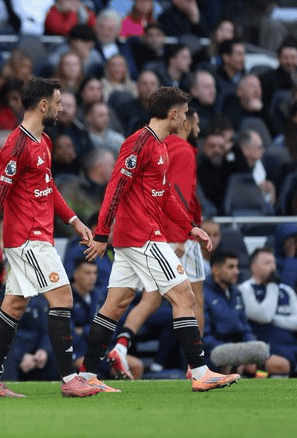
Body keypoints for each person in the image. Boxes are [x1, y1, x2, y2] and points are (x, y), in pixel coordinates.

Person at [82, 86, 240, 392]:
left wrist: (189, 226)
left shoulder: (160, 145)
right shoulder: (139, 142)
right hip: (142, 236)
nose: (186, 119)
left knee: (115, 304)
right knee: (185, 296)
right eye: (184, 113)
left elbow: (165, 194)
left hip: (136, 237)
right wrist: (101, 233)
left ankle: (85, 376)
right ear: (173, 113)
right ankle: (200, 372)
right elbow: (115, 187)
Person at [0, 77, 98, 398]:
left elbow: (47, 186)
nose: (61, 108)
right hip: (28, 238)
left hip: (39, 235)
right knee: (63, 297)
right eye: (57, 102)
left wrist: (73, 220)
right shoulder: (17, 144)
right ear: (43, 105)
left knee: (14, 304)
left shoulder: (44, 141)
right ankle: (70, 379)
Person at [107, 107, 206, 380]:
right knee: (194, 298)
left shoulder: (157, 146)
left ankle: (121, 346)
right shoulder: (183, 150)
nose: (198, 130)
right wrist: (183, 234)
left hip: (152, 232)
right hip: (176, 235)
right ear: (186, 123)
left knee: (149, 298)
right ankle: (196, 366)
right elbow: (177, 193)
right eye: (195, 123)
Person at [203, 250, 281, 376]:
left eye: (237, 267)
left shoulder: (236, 292)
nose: (237, 272)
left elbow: (244, 329)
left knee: (265, 355)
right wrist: (234, 354)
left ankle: (257, 378)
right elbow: (203, 337)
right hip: (213, 352)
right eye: (230, 267)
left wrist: (249, 348)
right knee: (226, 360)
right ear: (215, 269)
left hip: (236, 348)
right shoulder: (202, 295)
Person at [70, 258, 144, 378]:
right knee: (88, 369)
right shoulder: (67, 298)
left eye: (95, 273)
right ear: (75, 274)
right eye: (87, 273)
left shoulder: (98, 296)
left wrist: (84, 330)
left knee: (136, 365)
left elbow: (110, 329)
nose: (92, 277)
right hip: (77, 352)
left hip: (101, 349)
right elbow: (69, 332)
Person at [238, 248, 295, 376]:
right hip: (268, 347)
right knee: (281, 364)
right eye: (267, 263)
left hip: (291, 344)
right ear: (254, 266)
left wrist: (274, 319)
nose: (273, 267)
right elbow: (264, 316)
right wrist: (272, 286)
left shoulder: (287, 290)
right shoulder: (245, 289)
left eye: (274, 263)